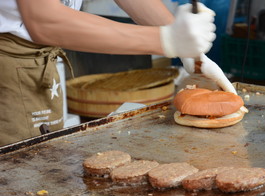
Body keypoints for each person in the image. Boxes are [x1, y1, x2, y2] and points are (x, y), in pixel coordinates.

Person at [0, 0, 235, 146]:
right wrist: (166, 40)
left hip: (39, 61)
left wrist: (191, 53)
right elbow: (44, 20)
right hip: (8, 66)